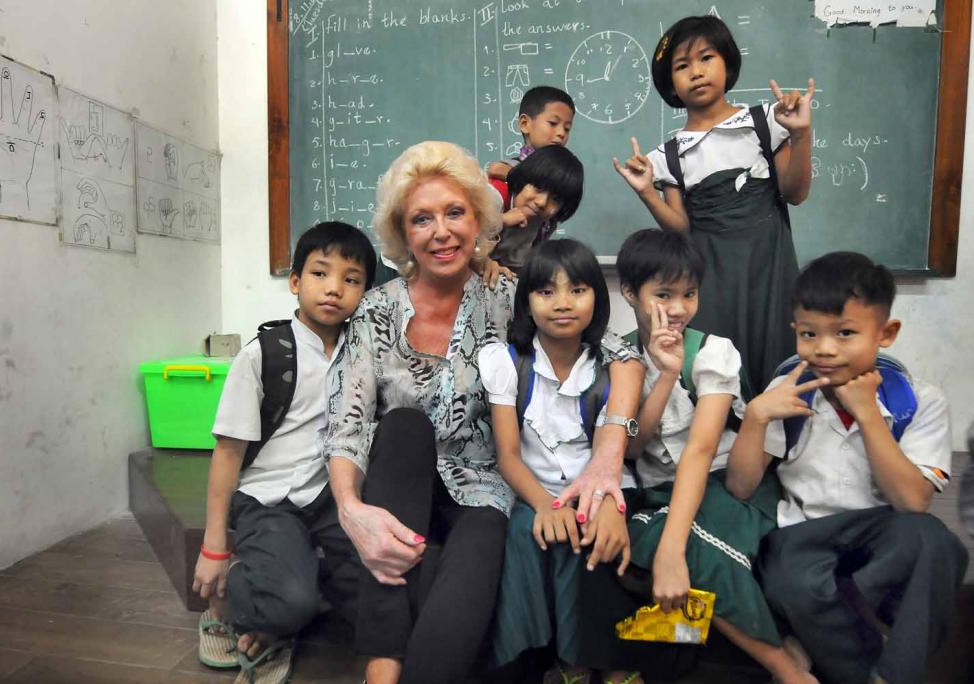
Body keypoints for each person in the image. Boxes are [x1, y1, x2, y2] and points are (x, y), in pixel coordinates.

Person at [323, 140, 641, 684]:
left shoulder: (511, 295)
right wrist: (353, 511)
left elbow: (619, 352)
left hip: (483, 484)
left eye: (454, 213)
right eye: (421, 219)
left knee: (460, 610)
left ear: (479, 220)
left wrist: (609, 455)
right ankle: (381, 668)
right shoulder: (377, 309)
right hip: (398, 485)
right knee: (402, 427)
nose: (440, 232)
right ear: (404, 233)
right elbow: (346, 424)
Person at [581, 229, 815, 684]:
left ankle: (785, 671)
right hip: (657, 494)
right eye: (663, 294)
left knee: (689, 550)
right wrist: (665, 375)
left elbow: (703, 450)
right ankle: (772, 646)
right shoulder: (620, 356)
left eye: (689, 294)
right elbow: (627, 447)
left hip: (728, 484)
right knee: (634, 545)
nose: (678, 308)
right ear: (630, 292)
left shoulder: (712, 352)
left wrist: (672, 547)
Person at [727, 251, 969, 684]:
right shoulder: (789, 391)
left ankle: (879, 664)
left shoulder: (918, 399)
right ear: (794, 332)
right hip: (803, 535)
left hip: (882, 531)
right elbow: (742, 487)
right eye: (809, 334)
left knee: (940, 546)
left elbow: (912, 502)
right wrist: (756, 418)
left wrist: (869, 416)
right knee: (791, 584)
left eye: (845, 333)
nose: (824, 348)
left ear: (886, 333)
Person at [191, 222, 376, 681]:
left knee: (378, 597)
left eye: (351, 280)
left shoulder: (365, 350)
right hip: (269, 498)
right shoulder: (264, 355)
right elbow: (229, 452)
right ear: (295, 282)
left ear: (366, 292)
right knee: (290, 602)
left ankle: (293, 591)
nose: (334, 289)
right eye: (320, 273)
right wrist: (215, 541)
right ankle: (239, 593)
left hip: (331, 498)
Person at [613, 15, 814, 395]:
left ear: (728, 62)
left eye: (706, 58)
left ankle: (773, 453)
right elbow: (681, 230)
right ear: (670, 83)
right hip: (711, 276)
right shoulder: (669, 155)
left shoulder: (764, 123)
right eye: (682, 66)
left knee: (777, 361)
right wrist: (647, 193)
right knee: (719, 370)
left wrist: (801, 134)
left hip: (768, 268)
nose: (697, 72)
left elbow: (796, 193)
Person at [481, 239, 637, 684]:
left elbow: (618, 451)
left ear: (597, 299)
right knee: (522, 534)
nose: (562, 304)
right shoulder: (508, 362)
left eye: (577, 290)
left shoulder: (611, 364)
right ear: (527, 303)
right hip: (533, 490)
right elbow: (508, 455)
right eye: (546, 292)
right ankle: (523, 654)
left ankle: (577, 659)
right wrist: (546, 505)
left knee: (582, 535)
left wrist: (602, 501)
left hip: (597, 488)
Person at [482, 145, 584, 281]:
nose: (541, 202)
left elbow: (516, 269)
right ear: (522, 179)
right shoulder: (494, 194)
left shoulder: (540, 222)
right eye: (538, 188)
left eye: (555, 199)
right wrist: (501, 221)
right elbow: (461, 233)